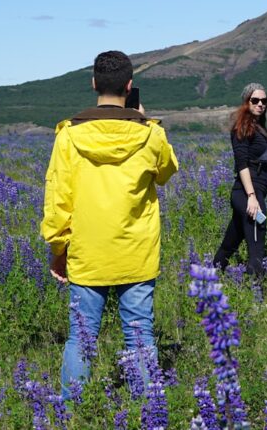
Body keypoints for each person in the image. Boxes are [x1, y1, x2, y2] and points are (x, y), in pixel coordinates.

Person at [40, 50, 178, 397]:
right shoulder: (151, 135)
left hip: (87, 254)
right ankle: (150, 414)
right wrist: (143, 120)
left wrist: (59, 249)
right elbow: (167, 172)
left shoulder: (68, 136)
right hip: (136, 253)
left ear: (93, 84)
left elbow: (58, 201)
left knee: (80, 336)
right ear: (129, 86)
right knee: (140, 334)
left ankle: (73, 414)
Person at [213, 83, 267, 278]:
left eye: (264, 101)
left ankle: (208, 278)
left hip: (255, 191)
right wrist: (252, 196)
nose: (260, 104)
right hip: (247, 193)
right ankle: (258, 295)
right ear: (246, 102)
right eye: (255, 100)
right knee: (257, 243)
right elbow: (242, 164)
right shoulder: (241, 128)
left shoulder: (259, 127)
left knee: (231, 242)